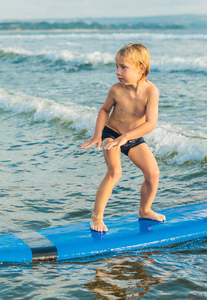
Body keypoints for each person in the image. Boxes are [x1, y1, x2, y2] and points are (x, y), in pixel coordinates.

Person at [80, 43, 165, 232]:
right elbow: (104, 110)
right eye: (116, 67)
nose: (118, 72)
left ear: (141, 69)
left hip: (132, 136)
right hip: (111, 134)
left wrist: (127, 137)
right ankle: (96, 217)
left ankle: (144, 210)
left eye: (123, 67)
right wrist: (97, 135)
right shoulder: (116, 89)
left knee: (153, 174)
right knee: (114, 172)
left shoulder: (151, 91)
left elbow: (151, 123)